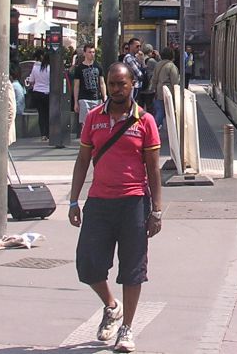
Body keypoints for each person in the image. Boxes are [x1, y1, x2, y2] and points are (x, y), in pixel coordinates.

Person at [68, 63, 162, 354]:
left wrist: (156, 210)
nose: (117, 89)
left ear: (133, 84)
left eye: (122, 83)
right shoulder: (94, 118)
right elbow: (83, 160)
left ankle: (127, 328)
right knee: (87, 264)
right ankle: (111, 306)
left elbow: (153, 170)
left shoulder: (145, 121)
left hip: (134, 202)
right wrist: (73, 200)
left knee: (132, 268)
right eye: (112, 83)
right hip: (99, 202)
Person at [74, 44, 106, 129]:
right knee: (85, 123)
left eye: (93, 52)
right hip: (84, 98)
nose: (92, 54)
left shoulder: (98, 66)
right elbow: (76, 86)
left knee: (97, 122)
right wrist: (76, 102)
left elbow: (102, 83)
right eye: (89, 52)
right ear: (84, 53)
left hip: (97, 98)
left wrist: (104, 97)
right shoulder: (79, 68)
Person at [150, 47, 180, 131]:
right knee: (167, 112)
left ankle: (154, 128)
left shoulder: (158, 64)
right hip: (169, 92)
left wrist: (154, 89)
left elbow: (154, 79)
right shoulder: (171, 66)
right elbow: (175, 82)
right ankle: (154, 129)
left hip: (159, 91)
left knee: (160, 110)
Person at [26, 49, 51, 142]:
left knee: (41, 114)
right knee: (48, 114)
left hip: (37, 92)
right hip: (48, 93)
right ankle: (48, 133)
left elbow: (31, 80)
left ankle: (43, 134)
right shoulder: (50, 68)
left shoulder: (35, 67)